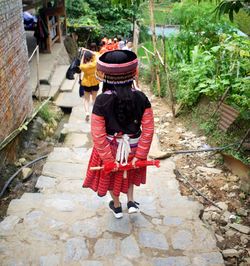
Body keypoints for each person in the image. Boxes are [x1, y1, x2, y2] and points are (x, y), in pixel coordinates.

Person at [83, 50, 154, 218]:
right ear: (131, 74)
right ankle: (130, 202)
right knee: (128, 172)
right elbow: (149, 129)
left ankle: (116, 206)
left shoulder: (101, 101)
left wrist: (108, 160)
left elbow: (98, 134)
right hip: (134, 148)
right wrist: (141, 155)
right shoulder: (141, 98)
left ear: (106, 76)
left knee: (111, 175)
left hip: (110, 148)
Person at [79, 51, 99, 121]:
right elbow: (96, 54)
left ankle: (87, 113)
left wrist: (83, 56)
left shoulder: (84, 66)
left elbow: (80, 64)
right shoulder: (95, 63)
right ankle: (94, 113)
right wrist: (90, 52)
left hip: (87, 83)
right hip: (95, 82)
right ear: (91, 57)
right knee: (94, 99)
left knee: (86, 99)